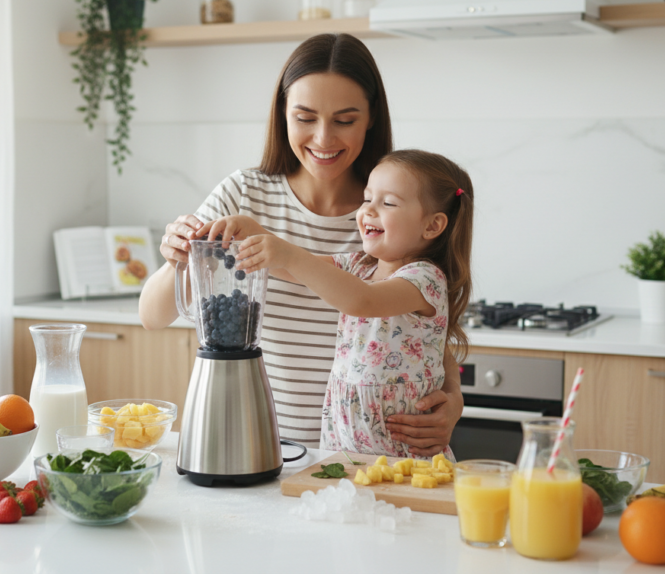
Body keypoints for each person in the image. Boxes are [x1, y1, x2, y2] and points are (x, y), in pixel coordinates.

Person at [138, 34, 462, 456]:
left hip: (367, 458)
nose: (324, 138)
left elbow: (427, 337)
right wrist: (176, 259)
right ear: (282, 115)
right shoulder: (243, 195)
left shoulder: (393, 212)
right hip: (258, 447)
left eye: (345, 120)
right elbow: (152, 315)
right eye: (305, 117)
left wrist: (453, 400)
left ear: (371, 118)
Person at [202, 149, 473, 459]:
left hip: (403, 456)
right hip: (343, 446)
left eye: (388, 203)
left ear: (433, 226)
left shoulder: (425, 279)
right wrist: (252, 232)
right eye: (367, 198)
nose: (369, 210)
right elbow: (294, 269)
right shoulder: (359, 265)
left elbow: (362, 299)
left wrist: (287, 253)